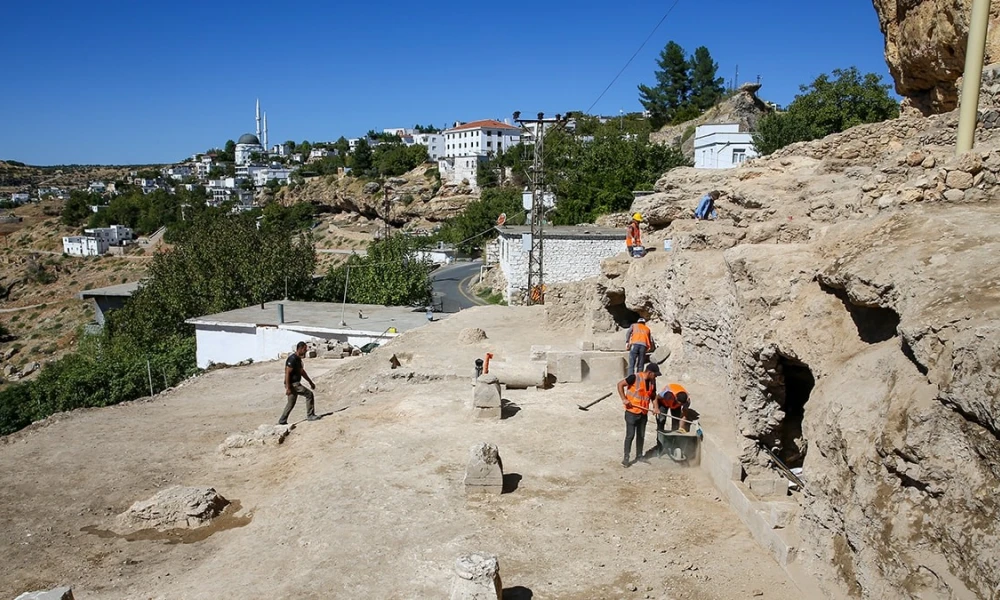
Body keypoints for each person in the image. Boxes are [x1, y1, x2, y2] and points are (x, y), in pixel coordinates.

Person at [616, 362, 659, 467]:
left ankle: (639, 455)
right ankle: (626, 458)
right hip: (632, 412)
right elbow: (620, 384)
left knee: (641, 435)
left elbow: (653, 396)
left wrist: (656, 407)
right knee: (630, 435)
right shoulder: (634, 377)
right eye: (655, 374)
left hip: (643, 413)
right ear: (649, 372)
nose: (656, 376)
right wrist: (624, 399)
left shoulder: (653, 381)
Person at [278, 341, 318, 425]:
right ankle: (310, 415)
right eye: (304, 349)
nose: (305, 351)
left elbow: (302, 372)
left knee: (291, 403)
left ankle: (282, 420)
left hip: (294, 384)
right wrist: (288, 388)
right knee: (309, 394)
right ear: (300, 349)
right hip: (293, 384)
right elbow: (287, 373)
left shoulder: (298, 359)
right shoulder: (292, 359)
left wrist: (310, 382)